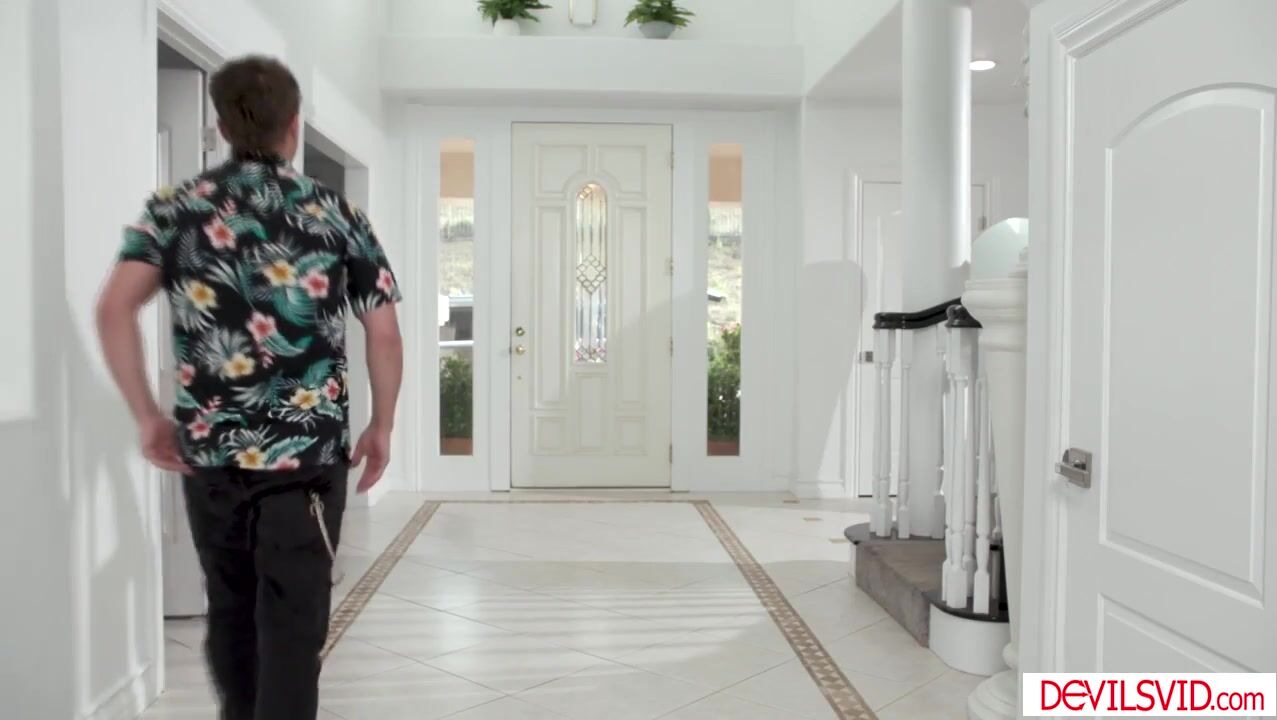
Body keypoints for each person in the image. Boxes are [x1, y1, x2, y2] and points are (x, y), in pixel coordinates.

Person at [95, 55, 403, 720]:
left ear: (222, 126)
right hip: (306, 457)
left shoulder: (175, 209)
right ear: (294, 126)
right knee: (293, 625)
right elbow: (383, 333)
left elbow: (114, 308)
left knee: (231, 609)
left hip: (212, 453)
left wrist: (148, 416)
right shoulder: (336, 213)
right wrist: (382, 425)